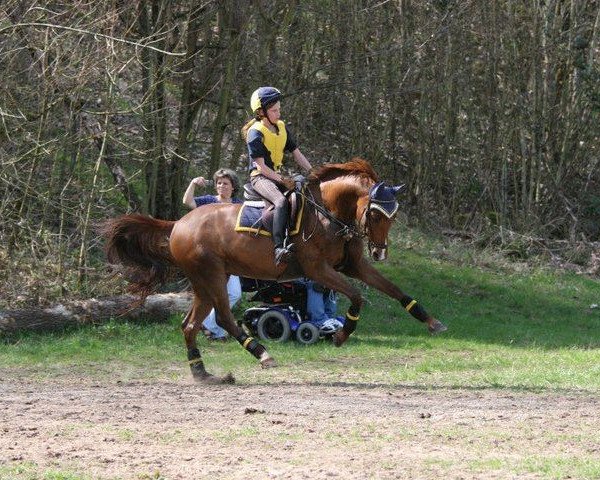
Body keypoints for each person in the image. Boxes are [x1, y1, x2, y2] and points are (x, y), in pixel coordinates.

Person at [242, 86, 312, 265]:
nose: (278, 114)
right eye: (274, 110)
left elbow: (297, 153)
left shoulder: (281, 128)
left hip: (276, 176)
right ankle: (279, 247)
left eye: (279, 109)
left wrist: (313, 172)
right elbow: (260, 166)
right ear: (261, 112)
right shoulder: (255, 132)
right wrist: (283, 180)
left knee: (303, 191)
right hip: (260, 177)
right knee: (280, 201)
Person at [182, 168, 242, 340]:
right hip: (212, 257)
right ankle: (215, 329)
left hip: (233, 258)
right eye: (219, 183)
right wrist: (193, 183)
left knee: (234, 293)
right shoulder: (209, 201)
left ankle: (208, 323)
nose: (221, 186)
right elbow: (187, 202)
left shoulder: (238, 204)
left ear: (233, 186)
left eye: (225, 183)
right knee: (212, 294)